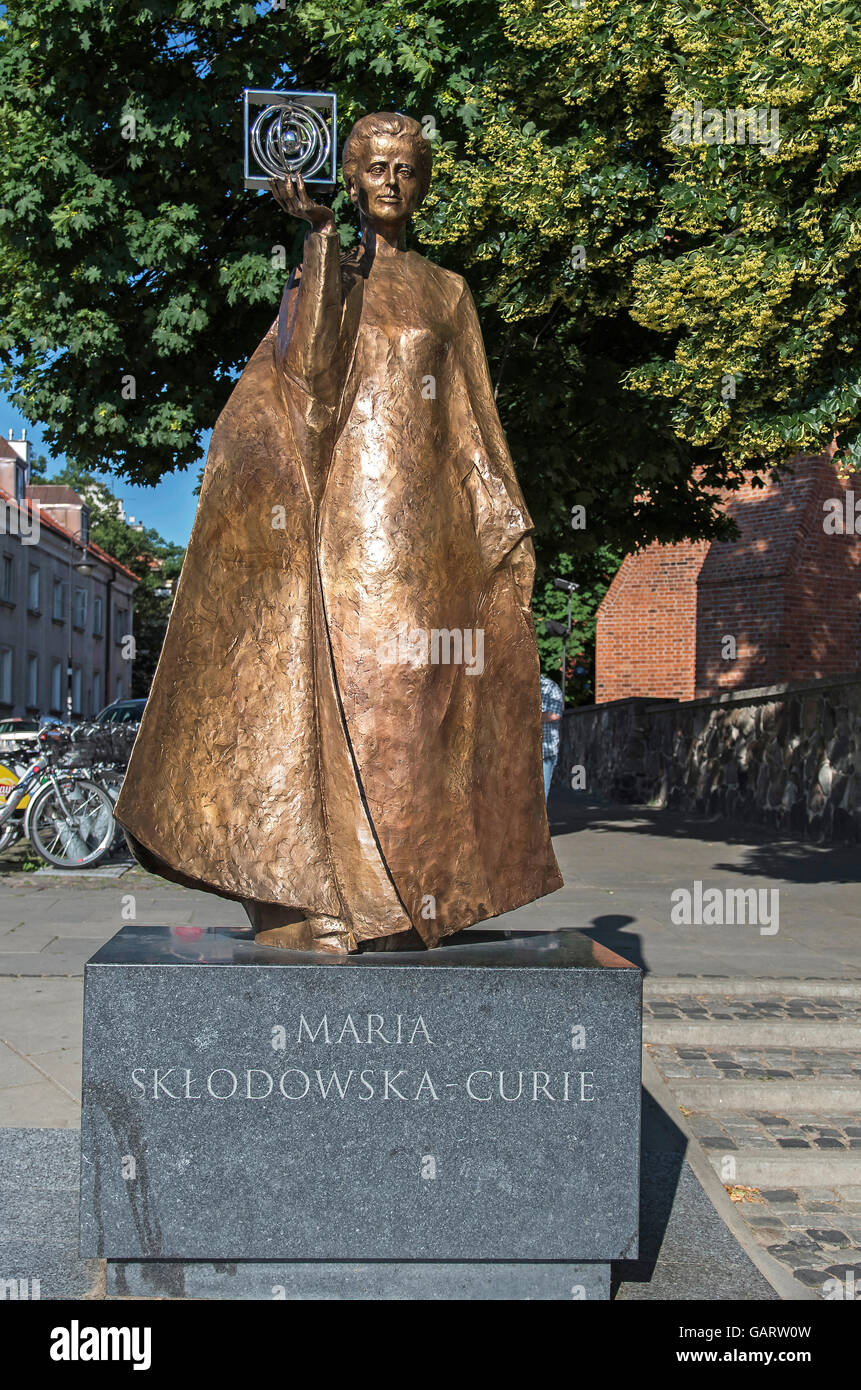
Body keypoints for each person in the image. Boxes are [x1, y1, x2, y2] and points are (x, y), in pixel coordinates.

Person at [115, 112, 562, 953]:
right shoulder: (327, 272)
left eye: (407, 167)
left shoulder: (448, 292)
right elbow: (307, 381)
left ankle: (411, 901)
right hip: (342, 521)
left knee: (419, 707)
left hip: (429, 530)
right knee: (347, 693)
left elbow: (475, 424)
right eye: (376, 167)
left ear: (422, 183)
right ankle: (326, 900)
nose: (392, 181)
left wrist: (504, 526)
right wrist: (318, 244)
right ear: (350, 180)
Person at [540, 673, 564, 800]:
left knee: (541, 795)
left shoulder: (550, 687)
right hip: (518, 752)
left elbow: (555, 714)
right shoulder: (516, 686)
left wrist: (528, 717)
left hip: (544, 752)